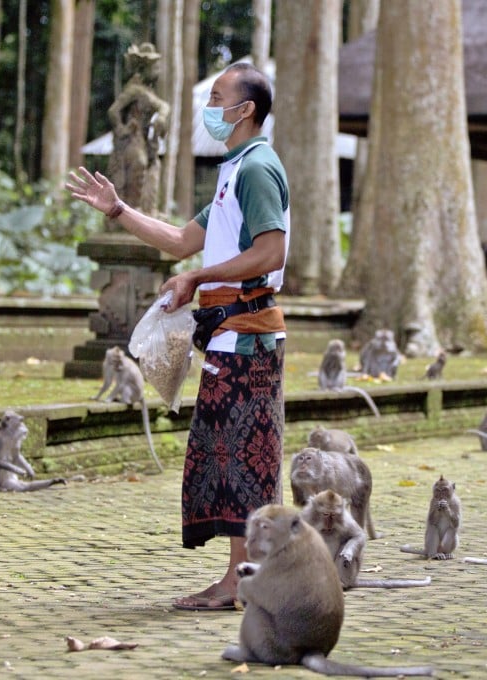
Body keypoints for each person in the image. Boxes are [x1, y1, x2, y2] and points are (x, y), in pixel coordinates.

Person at [66, 62, 290, 611]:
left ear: (246, 111)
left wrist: (197, 278)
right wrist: (117, 210)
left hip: (247, 334)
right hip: (225, 333)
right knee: (225, 455)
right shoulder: (233, 170)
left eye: (217, 98)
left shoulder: (258, 168)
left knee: (243, 459)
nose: (209, 108)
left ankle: (243, 581)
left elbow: (271, 252)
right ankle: (244, 575)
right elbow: (179, 241)